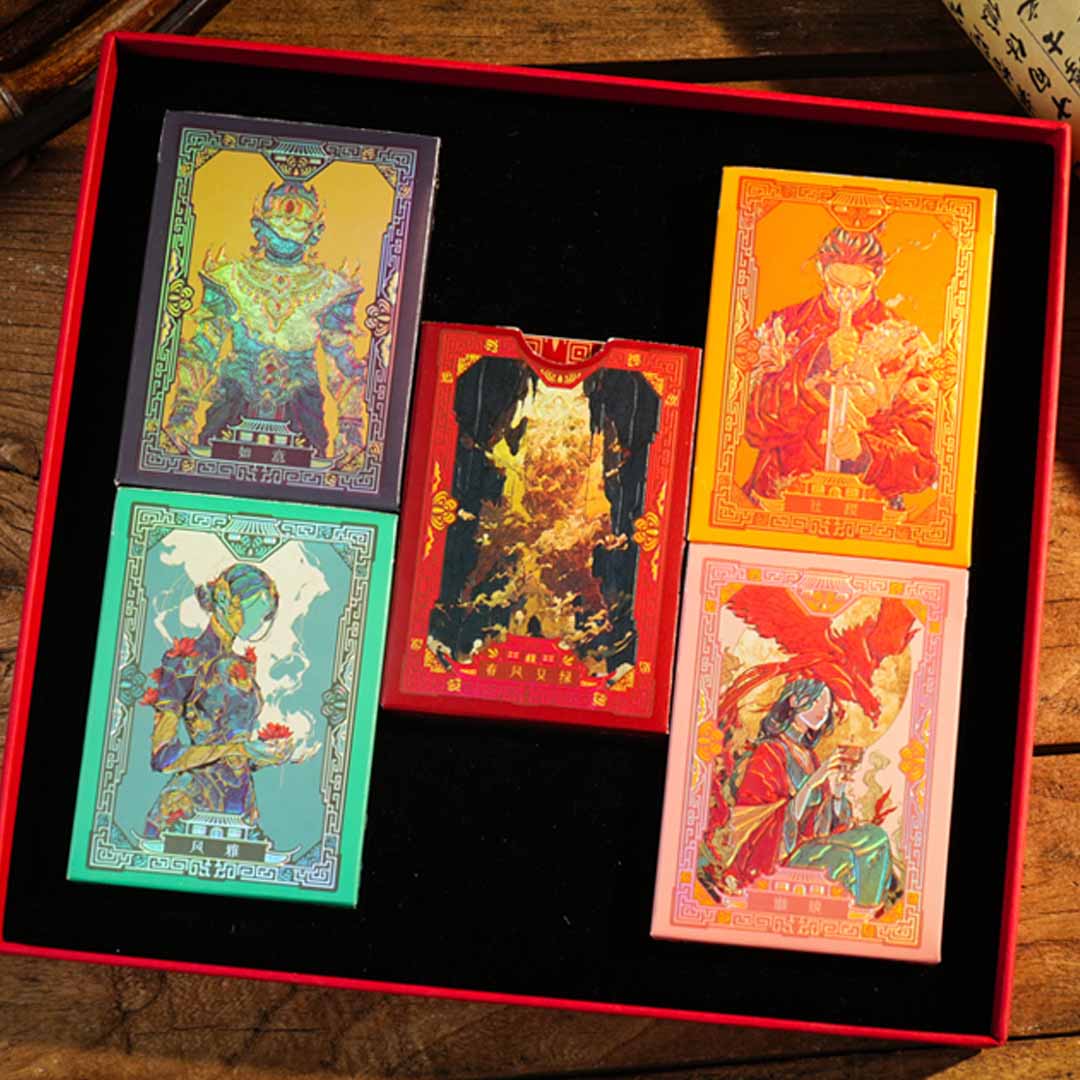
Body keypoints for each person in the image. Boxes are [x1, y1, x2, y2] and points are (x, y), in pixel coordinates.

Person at [162, 180, 369, 466]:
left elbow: (342, 363)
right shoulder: (230, 278)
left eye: (298, 224)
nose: (287, 225)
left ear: (316, 232)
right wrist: (183, 411)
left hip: (300, 404)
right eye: (277, 221)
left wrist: (350, 426)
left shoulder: (333, 288)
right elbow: (203, 349)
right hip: (235, 395)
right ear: (258, 227)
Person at [735, 226, 940, 510]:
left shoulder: (905, 341)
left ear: (878, 277)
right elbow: (751, 423)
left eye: (861, 287)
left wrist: (865, 454)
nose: (848, 297)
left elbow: (927, 457)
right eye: (837, 284)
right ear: (821, 270)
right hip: (778, 495)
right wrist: (815, 363)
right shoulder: (785, 325)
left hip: (867, 506)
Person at [699, 678, 897, 910]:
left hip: (807, 843)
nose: (822, 711)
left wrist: (836, 793)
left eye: (827, 707)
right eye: (817, 702)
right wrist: (813, 782)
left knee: (876, 836)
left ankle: (866, 914)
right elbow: (758, 824)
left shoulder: (809, 757)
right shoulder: (769, 752)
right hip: (775, 854)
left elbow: (824, 827)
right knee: (842, 857)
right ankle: (856, 912)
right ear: (794, 700)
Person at [141, 563, 294, 843]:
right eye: (257, 610)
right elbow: (163, 757)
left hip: (240, 804)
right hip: (191, 804)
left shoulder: (242, 665)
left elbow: (233, 749)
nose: (260, 621)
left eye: (266, 614)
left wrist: (265, 754)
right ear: (225, 600)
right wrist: (240, 749)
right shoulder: (184, 663)